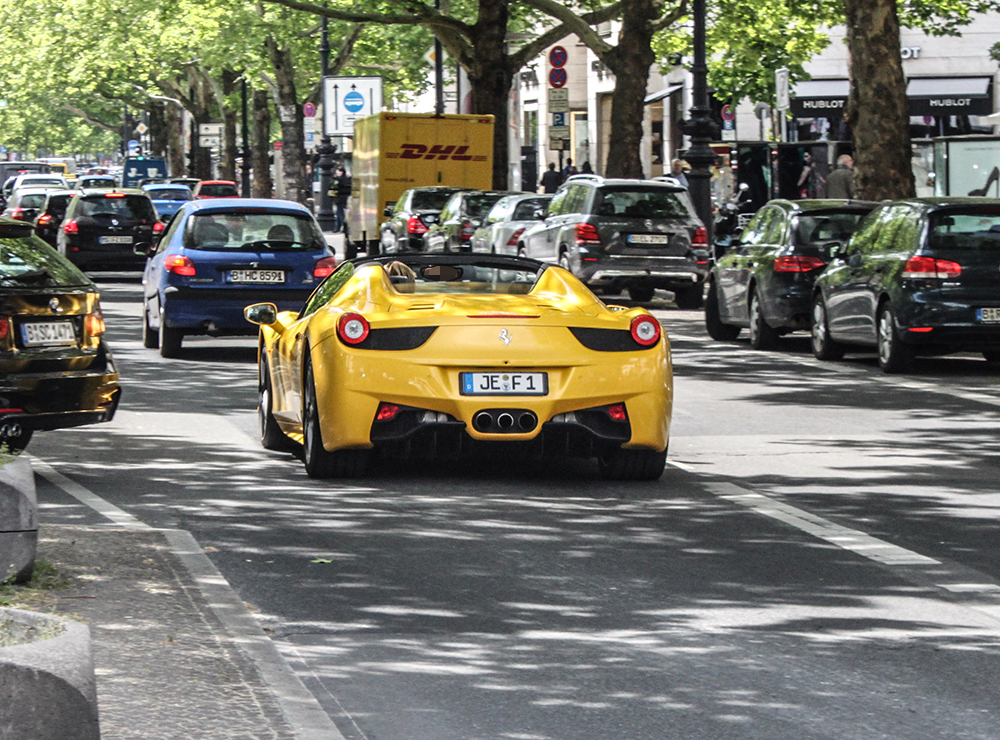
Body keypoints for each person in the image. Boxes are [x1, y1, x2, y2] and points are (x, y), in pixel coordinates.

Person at [332, 167, 351, 232]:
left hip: (339, 199)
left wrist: (333, 198)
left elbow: (333, 190)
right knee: (338, 213)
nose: (337, 173)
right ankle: (337, 228)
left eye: (338, 171)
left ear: (341, 172)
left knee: (340, 213)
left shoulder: (337, 180)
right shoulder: (348, 179)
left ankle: (344, 226)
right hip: (346, 198)